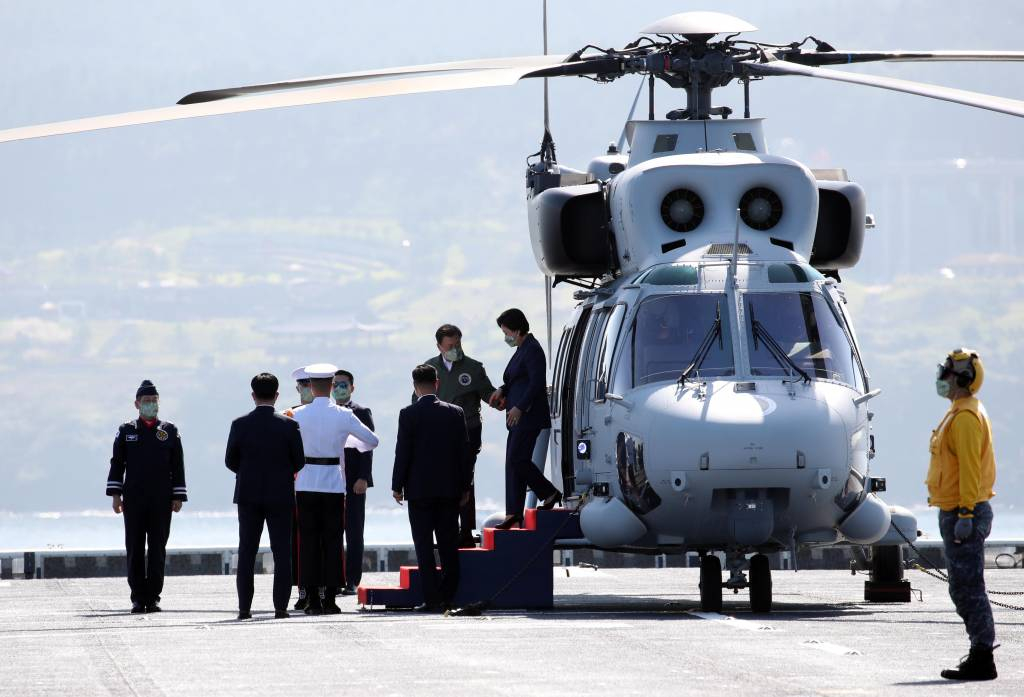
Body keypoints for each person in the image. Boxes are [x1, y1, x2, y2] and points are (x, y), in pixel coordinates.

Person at [927, 348, 998, 681]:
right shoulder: (959, 412)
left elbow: (970, 469)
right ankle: (980, 652)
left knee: (968, 587)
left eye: (948, 373)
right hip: (955, 508)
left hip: (962, 510)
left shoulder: (967, 417)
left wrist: (966, 514)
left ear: (963, 379)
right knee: (962, 586)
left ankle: (983, 656)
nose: (942, 378)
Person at [292, 363, 379, 614]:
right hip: (333, 483)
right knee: (333, 542)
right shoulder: (343, 415)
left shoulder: (296, 414)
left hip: (306, 482)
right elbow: (372, 441)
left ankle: (310, 598)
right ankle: (330, 597)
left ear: (310, 386)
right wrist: (348, 441)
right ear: (331, 386)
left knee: (307, 542)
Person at [225, 373, 305, 620]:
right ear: (277, 395)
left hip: (248, 494)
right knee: (282, 552)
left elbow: (230, 461)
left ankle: (244, 608)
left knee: (247, 551)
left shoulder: (239, 424)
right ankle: (280, 608)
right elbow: (299, 461)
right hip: (280, 495)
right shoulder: (289, 426)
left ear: (253, 395)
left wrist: (248, 473)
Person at [392, 364, 471, 612]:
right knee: (448, 544)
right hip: (449, 490)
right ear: (437, 383)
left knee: (424, 545)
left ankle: (432, 597)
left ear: (415, 387)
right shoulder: (455, 413)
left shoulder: (408, 414)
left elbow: (402, 452)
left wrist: (397, 485)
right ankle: (449, 595)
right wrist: (465, 486)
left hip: (419, 490)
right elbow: (464, 454)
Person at [106, 380, 187, 613]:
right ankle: (137, 597)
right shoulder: (126, 431)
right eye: (146, 401)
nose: (150, 404)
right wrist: (115, 495)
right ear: (137, 404)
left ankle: (153, 597)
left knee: (157, 547)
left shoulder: (169, 431)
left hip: (161, 499)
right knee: (134, 546)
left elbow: (178, 465)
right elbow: (117, 464)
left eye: (154, 401)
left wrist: (178, 495)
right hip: (134, 499)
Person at [420, 324, 498, 547]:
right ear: (439, 346)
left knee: (465, 478)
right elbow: (418, 399)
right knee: (444, 479)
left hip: (468, 431)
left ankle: (467, 529)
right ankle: (447, 529)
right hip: (439, 433)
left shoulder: (473, 367)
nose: (456, 348)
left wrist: (506, 397)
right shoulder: (429, 368)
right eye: (451, 345)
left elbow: (489, 395)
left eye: (458, 343)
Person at [488, 308, 561, 530]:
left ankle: (548, 492)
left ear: (518, 330)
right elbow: (516, 379)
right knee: (513, 463)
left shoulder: (533, 350)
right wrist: (502, 390)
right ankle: (513, 513)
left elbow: (536, 383)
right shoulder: (522, 349)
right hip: (516, 419)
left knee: (518, 460)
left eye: (507, 332)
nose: (505, 337)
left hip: (528, 417)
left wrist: (520, 407)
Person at [333, 369, 374, 595]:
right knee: (333, 530)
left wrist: (363, 477)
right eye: (335, 384)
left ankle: (352, 579)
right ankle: (335, 577)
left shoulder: (360, 412)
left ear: (352, 387)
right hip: (331, 481)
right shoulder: (328, 412)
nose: (339, 388)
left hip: (354, 481)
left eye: (343, 384)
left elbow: (367, 448)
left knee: (354, 531)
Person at [286, 366, 314, 610]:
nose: (306, 390)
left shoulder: (330, 412)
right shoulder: (288, 415)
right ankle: (302, 588)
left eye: (309, 385)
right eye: (302, 386)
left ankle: (324, 587)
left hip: (322, 482)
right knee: (296, 541)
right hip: (295, 485)